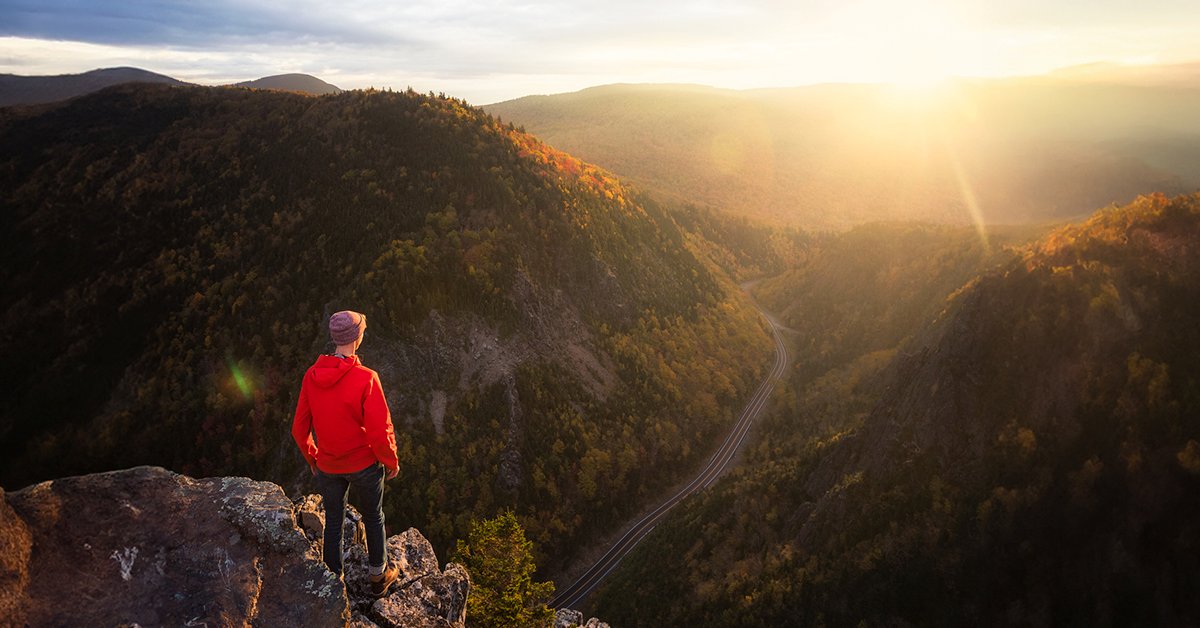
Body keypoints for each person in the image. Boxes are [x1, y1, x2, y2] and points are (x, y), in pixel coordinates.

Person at [292, 310, 401, 596]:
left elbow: (299, 428)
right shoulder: (367, 378)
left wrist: (313, 456)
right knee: (374, 517)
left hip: (328, 465)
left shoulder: (312, 376)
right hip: (365, 464)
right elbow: (380, 429)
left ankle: (332, 580)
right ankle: (378, 576)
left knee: (334, 521)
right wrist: (390, 461)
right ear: (358, 337)